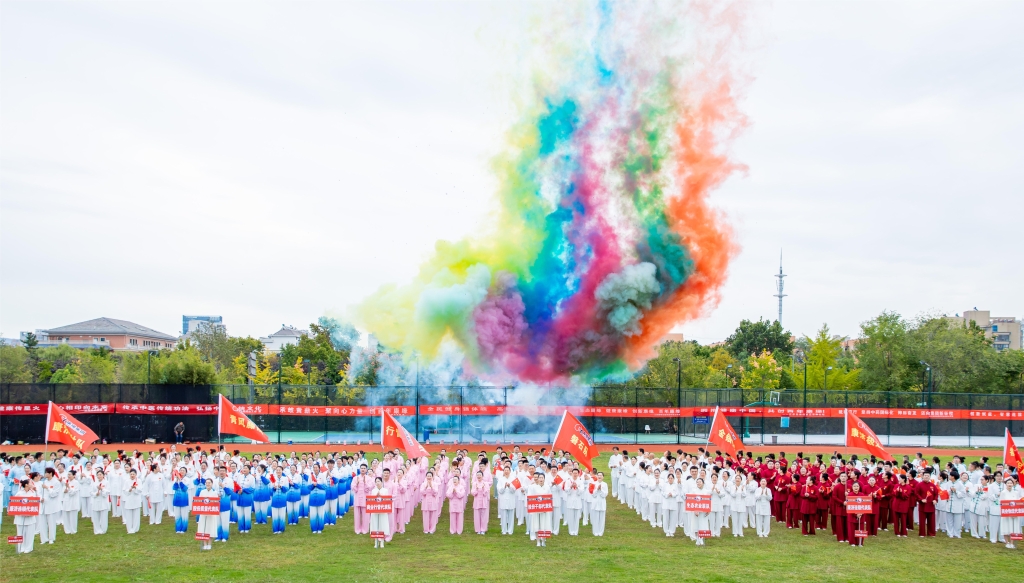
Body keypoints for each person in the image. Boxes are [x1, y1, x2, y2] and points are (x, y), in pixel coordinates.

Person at [527, 471, 553, 547]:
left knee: (544, 525)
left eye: (542, 478)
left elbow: (549, 497)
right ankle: (538, 541)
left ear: (544, 479)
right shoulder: (533, 487)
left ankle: (543, 540)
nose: (541, 479)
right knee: (536, 524)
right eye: (540, 478)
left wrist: (546, 507)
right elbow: (530, 497)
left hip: (544, 510)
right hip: (536, 509)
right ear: (537, 479)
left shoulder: (547, 487)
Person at [13, 478, 37, 554]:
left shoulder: (33, 493)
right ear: (26, 484)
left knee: (30, 532)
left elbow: (36, 504)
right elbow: (14, 504)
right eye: (30, 483)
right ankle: (21, 547)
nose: (32, 484)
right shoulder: (19, 493)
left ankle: (29, 547)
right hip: (20, 517)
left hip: (30, 517)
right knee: (20, 532)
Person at [40, 467, 62, 544]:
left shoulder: (56, 482)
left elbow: (54, 494)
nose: (45, 474)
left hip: (51, 505)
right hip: (43, 505)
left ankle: (51, 538)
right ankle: (44, 539)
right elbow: (41, 492)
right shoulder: (44, 481)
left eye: (46, 473)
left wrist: (48, 488)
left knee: (51, 523)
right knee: (42, 522)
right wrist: (41, 498)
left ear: (50, 474)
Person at [999, 475, 1021, 549]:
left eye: (1011, 483)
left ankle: (1012, 543)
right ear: (1006, 484)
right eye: (1008, 483)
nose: (1009, 484)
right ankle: (1007, 542)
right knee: (1006, 527)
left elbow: (1018, 503)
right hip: (1006, 514)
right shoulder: (1003, 492)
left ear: (1013, 484)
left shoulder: (1016, 493)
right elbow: (1001, 503)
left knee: (1013, 528)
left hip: (1013, 514)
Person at [196, 478, 218, 551]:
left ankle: (209, 543)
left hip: (211, 514)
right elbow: (199, 501)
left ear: (212, 484)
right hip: (203, 513)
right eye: (206, 483)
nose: (208, 484)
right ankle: (205, 543)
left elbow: (216, 503)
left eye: (209, 483)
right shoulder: (202, 492)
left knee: (210, 527)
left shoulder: (214, 493)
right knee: (203, 527)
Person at [369, 476, 391, 548]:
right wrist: (376, 496)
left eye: (379, 481)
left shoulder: (385, 490)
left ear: (381, 482)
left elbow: (387, 500)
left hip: (382, 510)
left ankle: (381, 541)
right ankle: (376, 542)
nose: (377, 483)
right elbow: (371, 500)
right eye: (376, 481)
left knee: (382, 524)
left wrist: (381, 496)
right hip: (375, 510)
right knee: (375, 524)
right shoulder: (373, 491)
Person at [497, 466, 518, 535]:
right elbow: (500, 491)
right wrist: (504, 486)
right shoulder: (500, 479)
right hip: (503, 499)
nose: (506, 471)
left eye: (507, 470)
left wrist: (509, 486)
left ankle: (510, 530)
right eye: (505, 470)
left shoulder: (513, 479)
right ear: (503, 471)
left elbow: (514, 490)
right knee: (503, 516)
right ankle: (504, 530)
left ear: (510, 471)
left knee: (511, 516)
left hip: (511, 499)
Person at [91, 469, 111, 535]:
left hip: (103, 501)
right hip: (96, 501)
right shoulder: (94, 483)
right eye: (98, 475)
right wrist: (95, 494)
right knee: (96, 517)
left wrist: (102, 489)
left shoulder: (106, 483)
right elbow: (91, 492)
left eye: (100, 475)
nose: (99, 476)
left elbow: (107, 492)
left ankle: (103, 529)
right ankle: (97, 530)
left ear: (103, 475)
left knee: (103, 517)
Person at [122, 469, 143, 534]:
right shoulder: (127, 481)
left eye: (133, 474)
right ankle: (129, 529)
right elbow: (124, 491)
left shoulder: (138, 481)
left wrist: (135, 488)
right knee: (129, 515)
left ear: (136, 475)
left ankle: (135, 528)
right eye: (131, 474)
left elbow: (140, 490)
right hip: (129, 500)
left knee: (136, 515)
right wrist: (130, 489)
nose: (132, 475)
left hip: (136, 500)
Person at [62, 469, 81, 534]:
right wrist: (64, 491)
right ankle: (67, 530)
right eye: (68, 474)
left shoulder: (76, 482)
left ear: (74, 475)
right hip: (66, 501)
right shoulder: (66, 482)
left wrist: (69, 488)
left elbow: (73, 492)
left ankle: (73, 530)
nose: (69, 476)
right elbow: (62, 491)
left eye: (70, 474)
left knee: (73, 517)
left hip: (73, 502)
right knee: (66, 516)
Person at [471, 470, 490, 535]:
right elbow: (473, 493)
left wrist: (483, 488)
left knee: (483, 516)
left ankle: (483, 529)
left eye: (480, 475)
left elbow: (486, 493)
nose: (479, 476)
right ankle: (477, 529)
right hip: (476, 502)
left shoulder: (486, 484)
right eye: (477, 475)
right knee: (476, 516)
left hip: (483, 502)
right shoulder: (474, 484)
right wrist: (476, 489)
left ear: (482, 476)